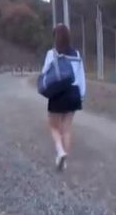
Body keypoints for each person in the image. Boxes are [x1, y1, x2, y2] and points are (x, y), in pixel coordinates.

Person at [41, 24, 86, 171]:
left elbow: (45, 73)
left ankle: (60, 152)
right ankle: (64, 162)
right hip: (74, 93)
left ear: (56, 38)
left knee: (54, 126)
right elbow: (81, 77)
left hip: (58, 93)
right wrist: (81, 94)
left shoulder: (52, 54)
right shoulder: (77, 55)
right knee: (66, 129)